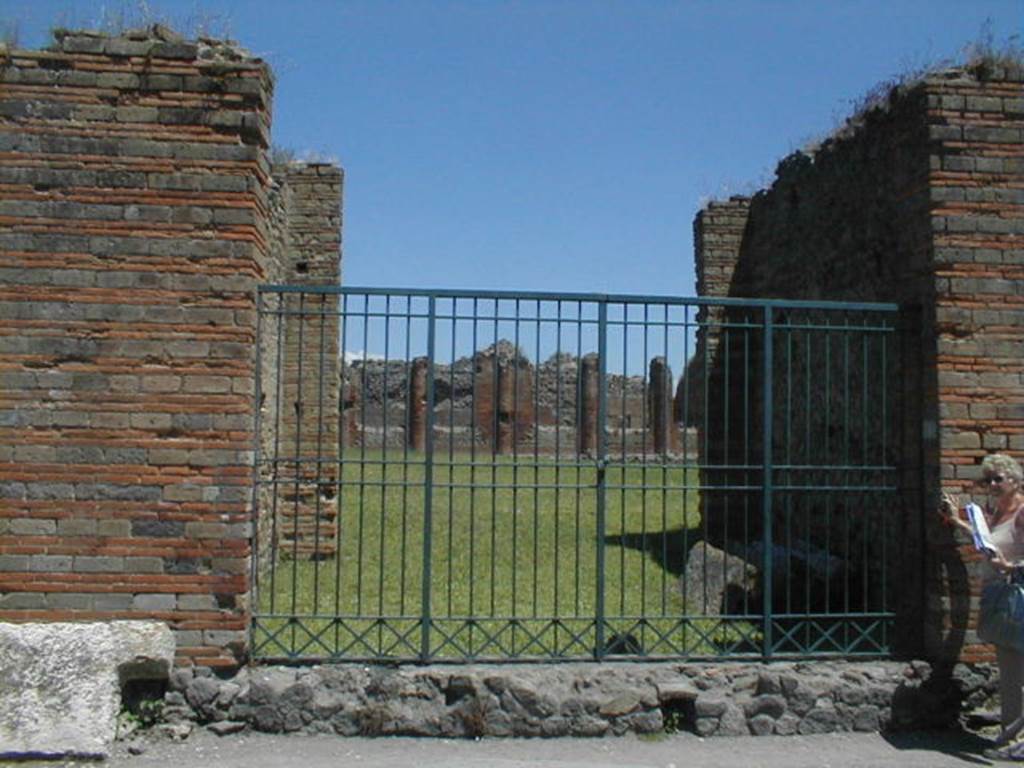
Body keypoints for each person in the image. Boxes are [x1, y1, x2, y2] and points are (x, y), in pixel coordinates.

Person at [941, 453, 1024, 758]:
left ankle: (1016, 742)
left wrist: (1012, 565)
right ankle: (1011, 739)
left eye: (998, 478)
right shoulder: (997, 513)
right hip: (1000, 597)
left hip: (1018, 595)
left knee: (1019, 671)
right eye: (988, 479)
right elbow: (985, 541)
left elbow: (1006, 556)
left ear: (1014, 480)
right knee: (1010, 672)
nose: (992, 484)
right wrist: (957, 519)